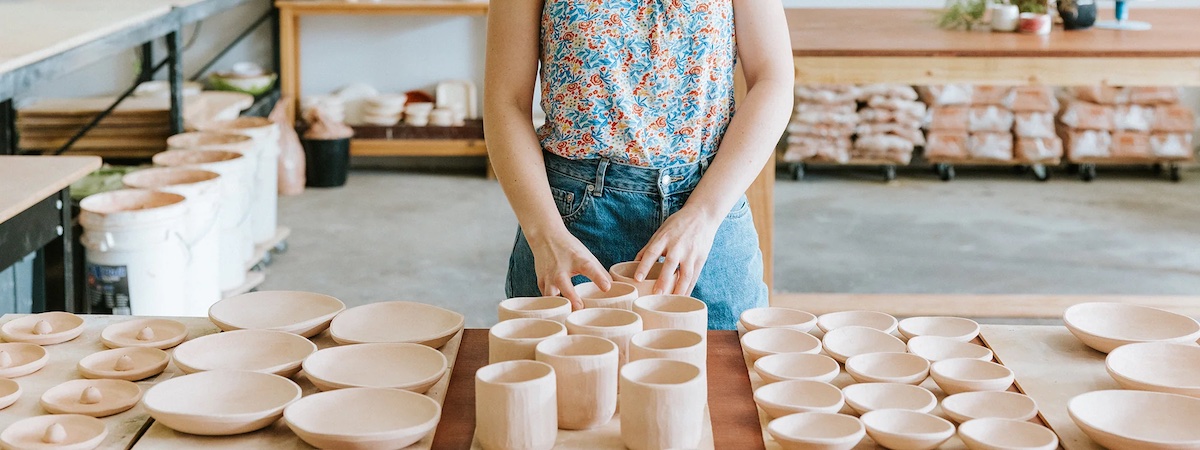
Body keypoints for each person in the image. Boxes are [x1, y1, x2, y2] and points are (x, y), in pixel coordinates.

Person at [484, 0, 793, 330]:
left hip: (708, 213)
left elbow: (772, 79)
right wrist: (544, 232)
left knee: (728, 373)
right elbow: (507, 101)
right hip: (569, 223)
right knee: (558, 376)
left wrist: (704, 214)